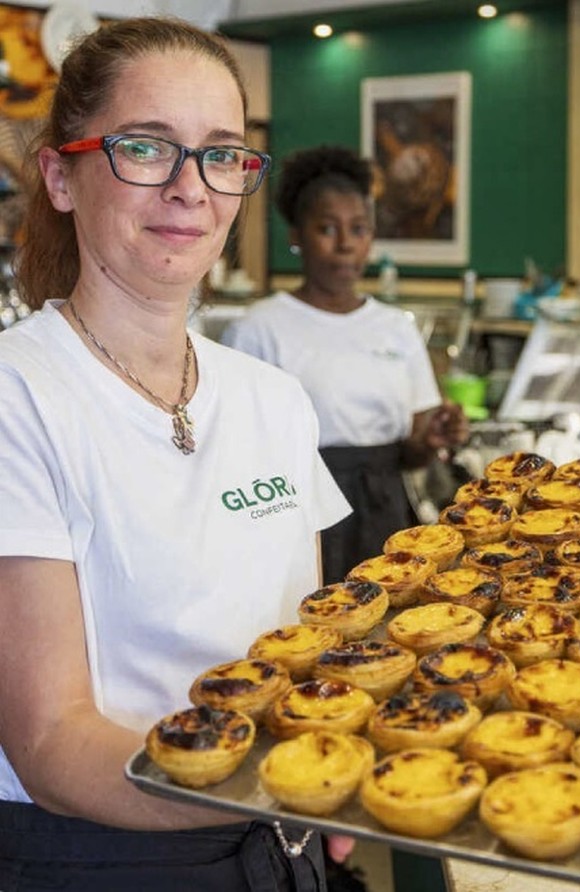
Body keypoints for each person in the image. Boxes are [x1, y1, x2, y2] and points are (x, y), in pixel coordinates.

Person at [0, 18, 357, 891]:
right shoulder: (18, 395)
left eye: (223, 155)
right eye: (147, 149)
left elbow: (300, 655)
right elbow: (53, 744)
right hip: (99, 857)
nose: (192, 188)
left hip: (277, 848)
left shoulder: (271, 397)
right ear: (60, 175)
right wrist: (292, 784)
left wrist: (334, 772)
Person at [222, 144, 469, 583]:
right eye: (327, 228)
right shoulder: (259, 329)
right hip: (297, 512)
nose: (345, 245)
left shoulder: (396, 327)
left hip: (387, 508)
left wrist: (434, 438)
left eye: (358, 229)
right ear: (296, 235)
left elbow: (412, 454)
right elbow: (239, 453)